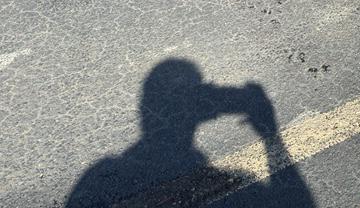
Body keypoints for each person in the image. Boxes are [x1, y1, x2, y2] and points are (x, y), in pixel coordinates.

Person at [65, 59, 314, 207]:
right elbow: (297, 202)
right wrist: (269, 132)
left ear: (144, 106)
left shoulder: (99, 175)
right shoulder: (238, 181)